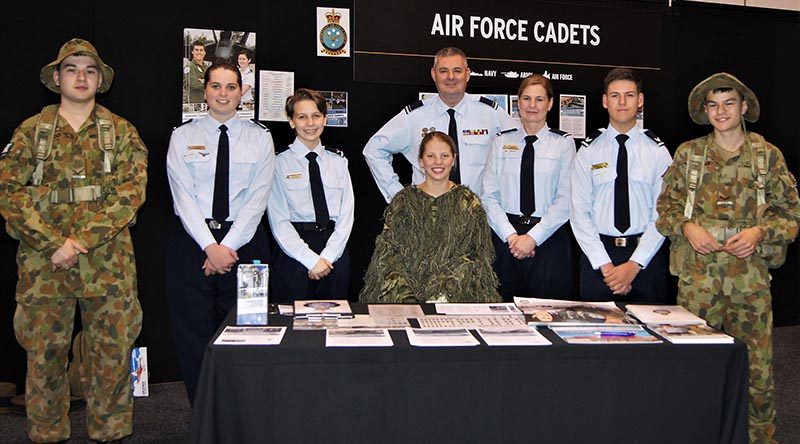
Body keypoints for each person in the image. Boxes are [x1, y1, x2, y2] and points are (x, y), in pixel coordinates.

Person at [0, 38, 147, 443]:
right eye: (72, 69)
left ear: (100, 80)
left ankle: (110, 432)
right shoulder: (31, 133)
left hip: (109, 266)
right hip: (44, 268)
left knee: (111, 358)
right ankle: (47, 434)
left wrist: (78, 242)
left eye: (90, 70)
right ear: (57, 78)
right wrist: (53, 245)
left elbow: (130, 194)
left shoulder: (121, 133)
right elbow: (10, 196)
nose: (81, 77)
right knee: (44, 358)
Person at [656, 72, 800, 443]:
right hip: (697, 285)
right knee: (695, 368)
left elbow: (791, 217)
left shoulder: (767, 157)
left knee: (758, 373)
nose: (721, 112)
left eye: (729, 103)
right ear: (705, 111)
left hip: (749, 285)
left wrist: (759, 232)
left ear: (744, 107)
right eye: (713, 105)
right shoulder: (689, 155)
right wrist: (687, 228)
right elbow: (666, 210)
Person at [166, 61, 274, 403]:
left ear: (242, 92)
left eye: (231, 87)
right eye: (216, 86)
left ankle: (240, 410)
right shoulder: (182, 137)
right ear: (205, 91)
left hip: (245, 243)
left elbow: (257, 200)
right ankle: (202, 412)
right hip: (193, 243)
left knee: (247, 331)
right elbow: (182, 197)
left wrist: (225, 246)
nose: (223, 94)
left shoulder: (260, 138)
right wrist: (210, 246)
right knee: (193, 334)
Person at [363, 46, 517, 203]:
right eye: (443, 71)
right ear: (433, 74)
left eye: (457, 70)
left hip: (477, 213)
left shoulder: (490, 113)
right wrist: (400, 198)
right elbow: (374, 149)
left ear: (467, 74)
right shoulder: (415, 117)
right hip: (428, 215)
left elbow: (520, 147)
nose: (451, 77)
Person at [360, 131, 499, 303]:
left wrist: (443, 292)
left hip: (457, 298)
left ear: (454, 159)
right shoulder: (403, 202)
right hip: (404, 299)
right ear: (421, 160)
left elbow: (476, 256)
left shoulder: (469, 202)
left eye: (444, 156)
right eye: (431, 156)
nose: (438, 162)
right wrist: (406, 296)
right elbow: (389, 253)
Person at [570, 67, 672, 302]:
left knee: (650, 337)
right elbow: (579, 213)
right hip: (598, 259)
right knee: (596, 336)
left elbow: (663, 214)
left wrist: (635, 264)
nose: (622, 102)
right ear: (605, 101)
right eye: (615, 95)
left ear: (640, 100)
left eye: (629, 95)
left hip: (645, 258)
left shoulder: (657, 152)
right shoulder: (588, 151)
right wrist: (606, 266)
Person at [480, 74, 575, 301]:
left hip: (548, 240)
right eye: (526, 99)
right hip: (505, 241)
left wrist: (533, 238)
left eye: (540, 99)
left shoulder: (563, 143)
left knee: (549, 317)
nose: (532, 106)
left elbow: (566, 198)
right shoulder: (501, 141)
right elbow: (489, 195)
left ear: (550, 104)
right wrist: (512, 237)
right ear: (518, 103)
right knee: (502, 319)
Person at [268, 88, 354, 302]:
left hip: (334, 251)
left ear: (325, 119)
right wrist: (310, 260)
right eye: (302, 117)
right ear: (291, 121)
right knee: (292, 326)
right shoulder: (278, 163)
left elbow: (346, 216)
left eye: (316, 116)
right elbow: (278, 220)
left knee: (335, 325)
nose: (310, 123)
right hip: (294, 252)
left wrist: (327, 257)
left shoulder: (339, 162)